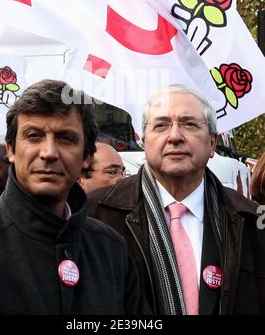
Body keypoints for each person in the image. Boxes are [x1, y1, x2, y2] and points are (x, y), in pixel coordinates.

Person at [0, 80, 150, 315]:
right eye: (34, 136)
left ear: (86, 156)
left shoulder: (110, 248)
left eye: (65, 138)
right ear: (11, 150)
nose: (49, 152)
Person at [88, 84, 265, 315]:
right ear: (144, 140)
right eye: (161, 125)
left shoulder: (251, 220)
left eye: (189, 124)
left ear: (212, 143)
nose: (174, 137)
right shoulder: (95, 214)